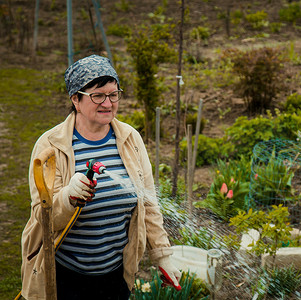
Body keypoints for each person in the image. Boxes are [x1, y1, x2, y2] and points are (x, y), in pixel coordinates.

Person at [20, 54, 181, 300]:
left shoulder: (130, 139)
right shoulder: (50, 146)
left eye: (113, 94)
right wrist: (67, 196)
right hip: (65, 278)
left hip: (116, 276)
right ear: (76, 99)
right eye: (97, 96)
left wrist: (162, 256)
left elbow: (148, 205)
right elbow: (42, 219)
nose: (108, 103)